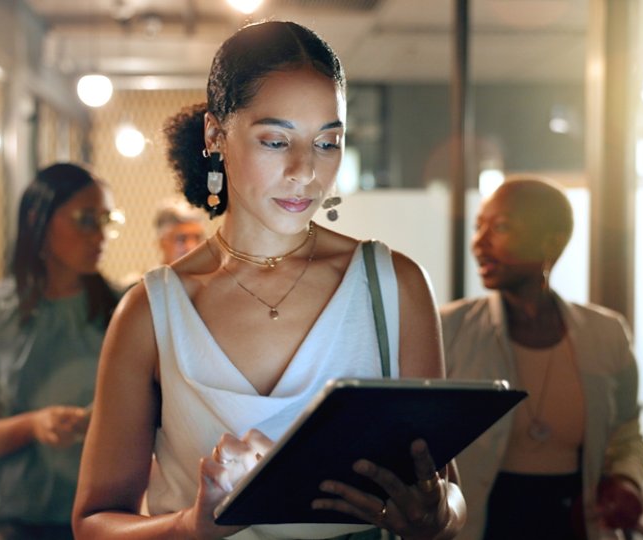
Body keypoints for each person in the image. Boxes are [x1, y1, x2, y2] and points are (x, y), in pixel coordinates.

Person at [73, 20, 465, 540]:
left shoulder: (394, 286)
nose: (305, 171)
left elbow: (446, 486)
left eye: (327, 143)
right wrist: (191, 527)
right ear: (216, 134)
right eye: (277, 141)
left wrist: (437, 518)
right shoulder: (152, 309)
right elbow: (93, 523)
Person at [440, 176, 643, 540]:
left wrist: (626, 480)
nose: (478, 243)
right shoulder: (449, 328)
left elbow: (626, 431)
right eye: (478, 227)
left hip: (574, 523)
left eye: (500, 227)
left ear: (552, 241)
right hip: (483, 524)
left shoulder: (606, 333)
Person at [0, 162, 123, 540]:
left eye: (105, 220)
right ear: (38, 219)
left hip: (107, 513)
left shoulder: (124, 310)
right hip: (19, 517)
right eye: (86, 219)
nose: (99, 236)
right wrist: (34, 425)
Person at [154, 198, 207, 264]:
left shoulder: (215, 273)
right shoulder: (151, 274)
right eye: (181, 239)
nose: (191, 247)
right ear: (163, 243)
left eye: (197, 238)